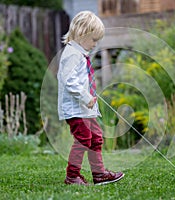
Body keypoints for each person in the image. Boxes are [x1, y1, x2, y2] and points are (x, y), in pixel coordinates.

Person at [57, 11, 124, 185]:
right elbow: (68, 80)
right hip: (75, 108)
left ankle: (99, 173)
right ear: (81, 33)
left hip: (85, 108)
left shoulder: (80, 54)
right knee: (83, 138)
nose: (95, 44)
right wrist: (86, 97)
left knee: (96, 137)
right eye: (94, 39)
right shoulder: (71, 54)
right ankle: (72, 176)